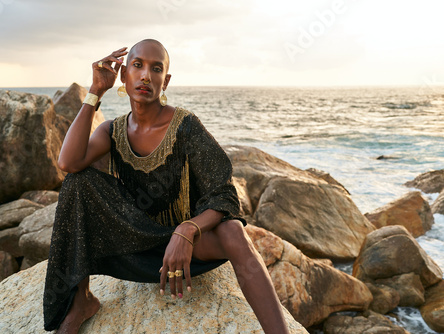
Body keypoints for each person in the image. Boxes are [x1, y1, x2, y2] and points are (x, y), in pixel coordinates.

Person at [43, 39, 290, 334]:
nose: (146, 75)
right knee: (78, 182)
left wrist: (186, 230)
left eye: (156, 68)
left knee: (233, 230)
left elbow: (224, 195)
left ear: (165, 81)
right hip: (135, 241)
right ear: (124, 75)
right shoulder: (112, 130)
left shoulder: (185, 126)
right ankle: (80, 301)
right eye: (137, 65)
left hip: (190, 249)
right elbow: (68, 162)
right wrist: (95, 90)